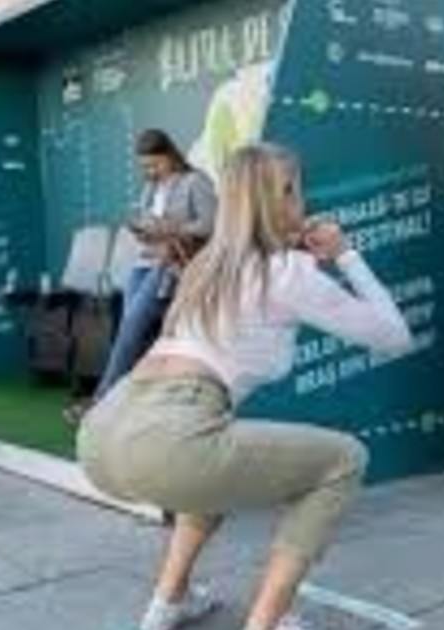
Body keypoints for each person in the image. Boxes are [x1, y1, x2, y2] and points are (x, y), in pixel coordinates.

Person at [76, 143, 413, 630]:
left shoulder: (207, 266)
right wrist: (345, 254)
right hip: (165, 438)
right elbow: (394, 335)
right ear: (283, 196)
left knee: (210, 475)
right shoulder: (287, 272)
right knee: (344, 460)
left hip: (102, 434)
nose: (302, 199)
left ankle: (167, 603)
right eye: (295, 189)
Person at [66, 129, 217, 420]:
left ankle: (101, 402)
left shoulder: (195, 182)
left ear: (170, 155)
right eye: (145, 166)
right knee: (131, 331)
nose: (150, 171)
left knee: (131, 327)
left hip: (172, 265)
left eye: (154, 164)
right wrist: (142, 228)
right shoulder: (150, 187)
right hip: (144, 263)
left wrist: (170, 229)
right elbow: (148, 220)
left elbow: (211, 224)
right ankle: (130, 401)